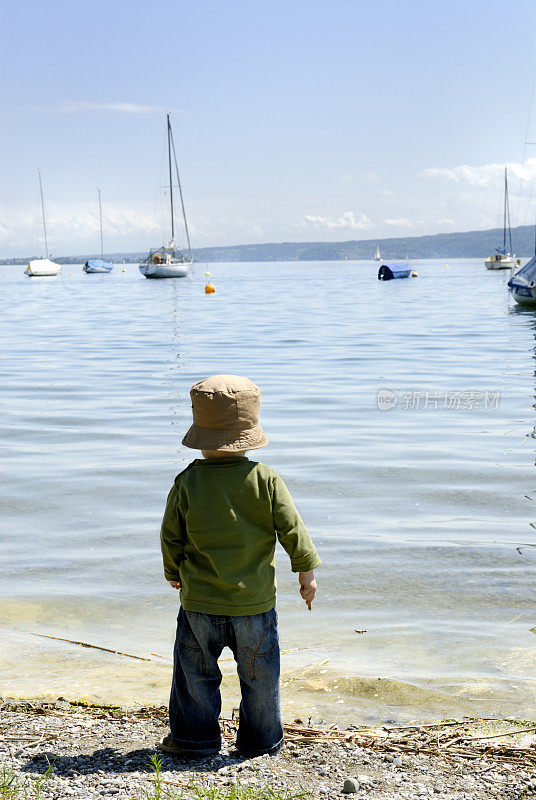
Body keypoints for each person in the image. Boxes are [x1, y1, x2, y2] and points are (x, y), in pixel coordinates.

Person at [158, 374, 320, 758]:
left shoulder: (187, 481)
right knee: (260, 676)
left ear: (200, 432)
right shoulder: (264, 479)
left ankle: (194, 740)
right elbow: (292, 528)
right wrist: (306, 572)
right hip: (255, 605)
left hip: (200, 603)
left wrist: (173, 572)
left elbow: (171, 536)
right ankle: (261, 741)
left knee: (194, 676)